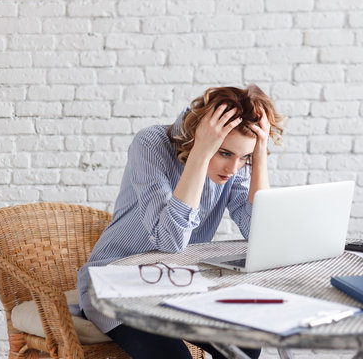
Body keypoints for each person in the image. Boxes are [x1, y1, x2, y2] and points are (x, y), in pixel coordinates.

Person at [77, 84, 284, 359]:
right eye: (224, 153)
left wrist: (258, 159)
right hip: (115, 285)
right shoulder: (150, 144)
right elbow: (170, 240)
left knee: (245, 343)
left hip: (182, 284)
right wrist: (200, 152)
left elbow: (259, 235)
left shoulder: (235, 166)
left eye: (242, 157)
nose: (233, 169)